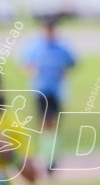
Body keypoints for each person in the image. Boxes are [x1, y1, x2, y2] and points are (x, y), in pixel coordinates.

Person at [22, 17, 77, 170]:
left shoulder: (61, 47)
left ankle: (53, 154)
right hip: (40, 90)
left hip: (56, 90)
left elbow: (72, 63)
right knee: (45, 123)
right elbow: (26, 65)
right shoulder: (36, 47)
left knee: (54, 123)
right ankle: (47, 154)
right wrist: (33, 71)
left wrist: (62, 73)